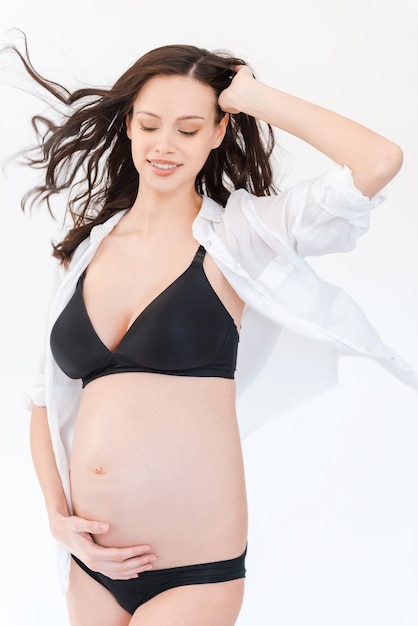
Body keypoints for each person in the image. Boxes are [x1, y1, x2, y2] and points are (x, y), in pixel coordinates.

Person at [9, 35, 417, 626]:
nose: (165, 145)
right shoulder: (84, 251)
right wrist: (56, 518)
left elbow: (377, 162)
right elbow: (44, 397)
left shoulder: (241, 239)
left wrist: (253, 95)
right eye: (150, 125)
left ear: (221, 132)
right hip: (88, 564)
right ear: (128, 126)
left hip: (194, 566)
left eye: (189, 129)